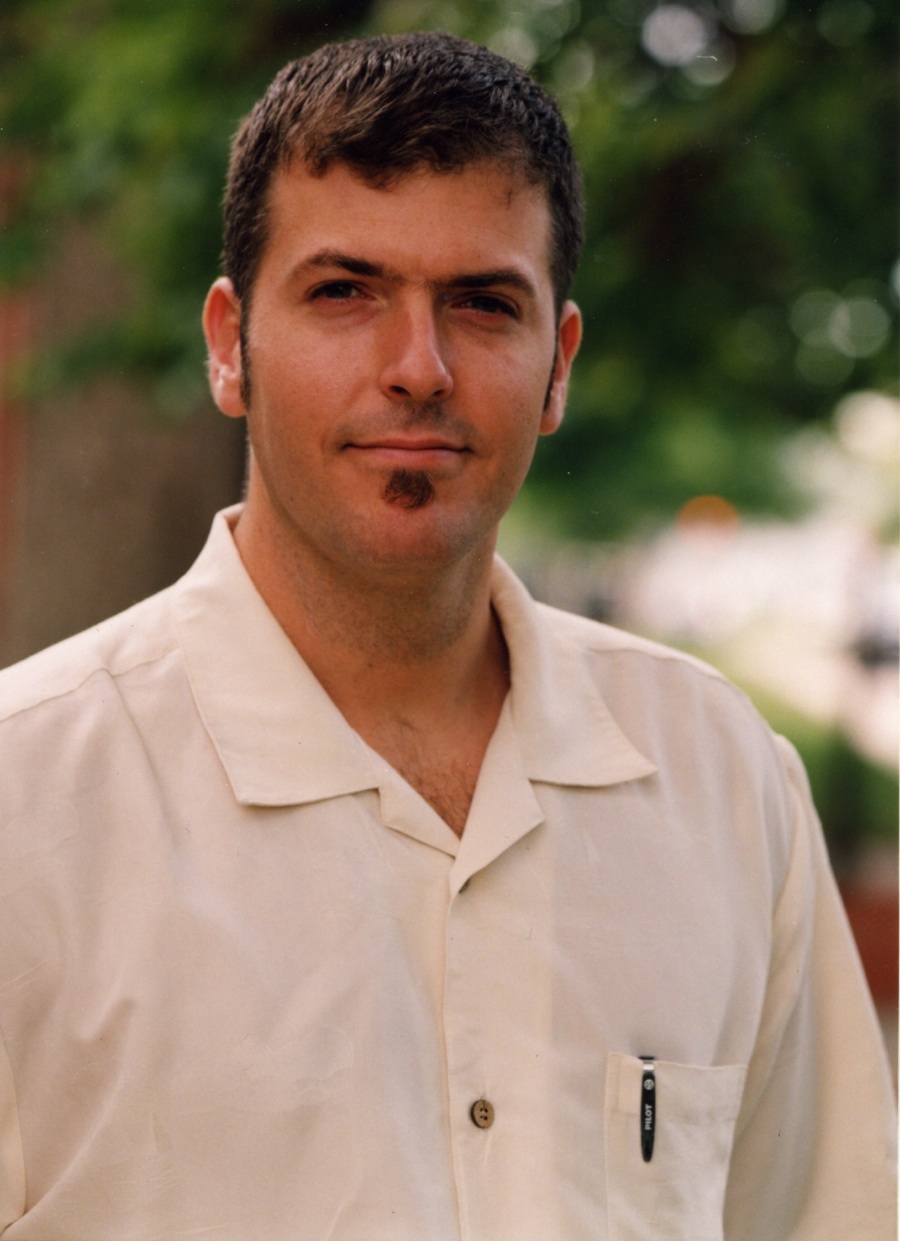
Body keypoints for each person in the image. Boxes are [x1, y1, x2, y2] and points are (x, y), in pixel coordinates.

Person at [0, 30, 894, 1241]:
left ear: (558, 364)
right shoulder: (27, 803)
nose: (418, 368)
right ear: (228, 344)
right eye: (343, 292)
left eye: (482, 303)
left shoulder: (723, 779)